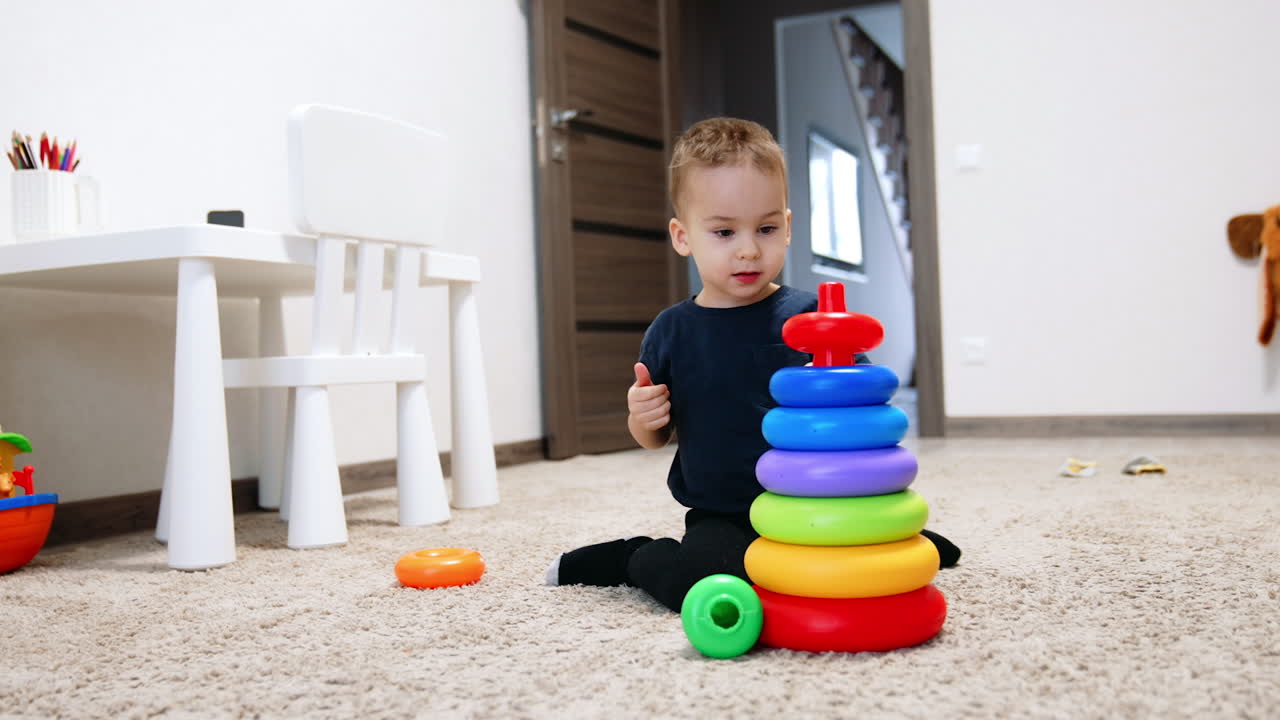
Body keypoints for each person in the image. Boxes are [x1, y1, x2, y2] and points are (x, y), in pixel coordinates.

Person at [545, 117, 959, 612]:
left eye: (765, 228)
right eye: (723, 231)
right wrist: (644, 417)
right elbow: (653, 439)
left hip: (811, 502)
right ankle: (636, 556)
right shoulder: (672, 331)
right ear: (683, 236)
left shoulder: (811, 319)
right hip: (723, 511)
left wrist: (869, 514)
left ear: (787, 227)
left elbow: (860, 414)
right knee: (706, 590)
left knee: (848, 575)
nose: (747, 248)